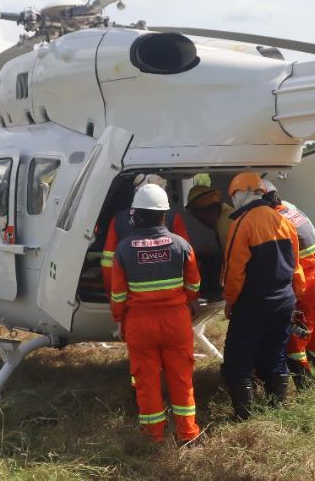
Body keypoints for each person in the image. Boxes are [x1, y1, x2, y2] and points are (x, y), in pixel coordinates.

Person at [109, 184, 202, 445]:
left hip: (139, 323)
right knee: (182, 378)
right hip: (176, 320)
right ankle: (188, 434)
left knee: (146, 381)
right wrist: (187, 302)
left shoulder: (124, 249)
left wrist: (120, 319)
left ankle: (153, 437)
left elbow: (118, 295)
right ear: (164, 216)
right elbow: (194, 284)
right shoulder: (182, 245)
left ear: (136, 215)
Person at [220, 173, 305, 420]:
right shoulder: (283, 220)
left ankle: (244, 417)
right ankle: (276, 412)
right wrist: (294, 296)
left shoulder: (242, 223)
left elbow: (234, 270)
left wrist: (230, 300)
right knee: (275, 356)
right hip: (284, 300)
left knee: (238, 361)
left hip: (253, 303)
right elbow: (295, 264)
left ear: (239, 194)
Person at [260, 180, 315, 388]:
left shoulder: (274, 221)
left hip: (311, 284)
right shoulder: (290, 210)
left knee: (295, 339)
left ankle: (307, 389)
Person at [102, 174, 190, 290]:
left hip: (133, 299)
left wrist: (112, 295)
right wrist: (189, 298)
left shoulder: (118, 219)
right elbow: (188, 259)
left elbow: (108, 263)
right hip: (174, 297)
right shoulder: (173, 218)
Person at [183, 185, 235, 296]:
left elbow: (233, 263)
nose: (200, 221)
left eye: (198, 217)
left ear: (205, 213)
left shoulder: (224, 225)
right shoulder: (227, 215)